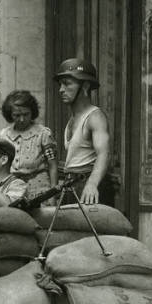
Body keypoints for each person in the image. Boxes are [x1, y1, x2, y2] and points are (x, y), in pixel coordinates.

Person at [54, 58, 110, 204]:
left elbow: (104, 154)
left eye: (67, 84)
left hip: (87, 186)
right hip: (71, 185)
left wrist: (92, 184)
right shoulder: (72, 119)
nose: (61, 90)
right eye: (60, 84)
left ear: (84, 85)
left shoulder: (95, 117)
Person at [0, 90, 58, 204]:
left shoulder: (43, 134)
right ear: (10, 115)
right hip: (13, 189)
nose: (21, 119)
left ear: (32, 112)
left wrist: (53, 194)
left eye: (26, 114)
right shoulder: (4, 135)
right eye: (17, 115)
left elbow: (52, 165)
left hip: (39, 189)